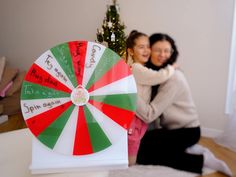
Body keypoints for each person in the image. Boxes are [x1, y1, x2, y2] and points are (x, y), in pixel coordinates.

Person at [135, 33, 232, 176]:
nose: (162, 55)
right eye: (157, 50)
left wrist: (129, 94)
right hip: (171, 129)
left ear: (172, 53)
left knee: (142, 155)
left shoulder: (173, 77)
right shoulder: (157, 75)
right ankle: (178, 150)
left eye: (167, 50)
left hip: (187, 131)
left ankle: (200, 160)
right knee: (139, 145)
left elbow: (150, 114)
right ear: (150, 51)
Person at [125, 30, 175, 165]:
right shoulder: (136, 68)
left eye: (148, 46)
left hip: (139, 115)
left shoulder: (140, 68)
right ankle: (130, 166)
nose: (146, 50)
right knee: (133, 142)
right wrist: (171, 69)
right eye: (141, 47)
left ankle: (131, 161)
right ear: (130, 51)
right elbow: (157, 77)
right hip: (134, 116)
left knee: (136, 140)